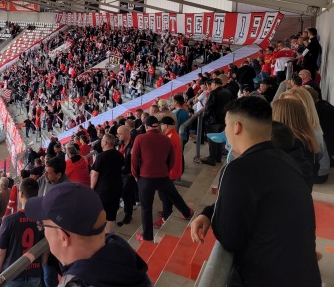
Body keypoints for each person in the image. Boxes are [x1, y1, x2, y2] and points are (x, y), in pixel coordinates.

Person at [190, 96, 321, 286]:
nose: (225, 131)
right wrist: (209, 213)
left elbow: (229, 237)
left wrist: (214, 215)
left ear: (236, 127)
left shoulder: (238, 170)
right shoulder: (288, 162)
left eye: (226, 126)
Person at [25, 183, 152, 287]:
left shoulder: (77, 283)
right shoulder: (124, 257)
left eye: (43, 225)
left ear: (63, 237)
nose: (44, 232)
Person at [132, 116, 193, 242]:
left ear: (146, 127)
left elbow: (134, 160)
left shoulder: (140, 138)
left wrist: (136, 175)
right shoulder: (166, 139)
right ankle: (186, 213)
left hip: (145, 178)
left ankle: (147, 236)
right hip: (163, 176)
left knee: (146, 208)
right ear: (158, 126)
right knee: (174, 195)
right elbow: (172, 160)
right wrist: (165, 170)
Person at [0, 178, 44, 287]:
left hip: (13, 274)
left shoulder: (9, 220)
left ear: (21, 194)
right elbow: (46, 247)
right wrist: (40, 267)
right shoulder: (43, 220)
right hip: (35, 273)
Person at [90, 133, 124, 233]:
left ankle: (100, 235)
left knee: (100, 213)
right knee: (112, 213)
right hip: (117, 187)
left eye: (102, 140)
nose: (101, 142)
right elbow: (122, 168)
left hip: (103, 191)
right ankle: (108, 235)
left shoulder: (101, 157)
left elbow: (94, 174)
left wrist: (91, 188)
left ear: (105, 143)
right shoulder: (119, 154)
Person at [116, 125, 137, 227]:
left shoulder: (133, 144)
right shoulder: (121, 144)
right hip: (123, 173)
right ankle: (130, 209)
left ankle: (128, 215)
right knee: (126, 194)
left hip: (130, 174)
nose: (117, 135)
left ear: (126, 133)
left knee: (126, 193)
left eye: (119, 133)